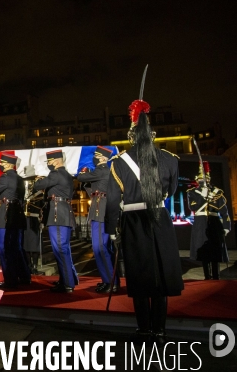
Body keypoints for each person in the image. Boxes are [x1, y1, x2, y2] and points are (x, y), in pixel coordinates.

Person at [105, 98, 184, 344]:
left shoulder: (118, 163)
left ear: (131, 136)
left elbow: (112, 201)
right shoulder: (170, 159)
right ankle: (159, 330)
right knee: (160, 274)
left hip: (133, 220)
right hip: (159, 218)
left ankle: (144, 329)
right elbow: (170, 192)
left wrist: (111, 230)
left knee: (139, 275)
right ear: (153, 134)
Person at [31, 150, 78, 293]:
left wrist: (37, 179)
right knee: (64, 249)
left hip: (58, 215)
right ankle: (68, 279)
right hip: (65, 213)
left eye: (50, 162)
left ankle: (68, 283)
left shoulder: (56, 174)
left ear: (56, 161)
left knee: (60, 248)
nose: (49, 165)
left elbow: (39, 186)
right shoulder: (67, 175)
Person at [0, 154, 31, 288]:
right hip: (18, 214)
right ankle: (24, 276)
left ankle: (10, 279)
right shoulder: (20, 179)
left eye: (3, 163)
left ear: (8, 165)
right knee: (17, 247)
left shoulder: (5, 178)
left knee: (4, 248)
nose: (1, 165)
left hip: (7, 214)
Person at [76, 146, 118, 293]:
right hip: (100, 209)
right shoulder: (103, 172)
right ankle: (109, 280)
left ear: (102, 158)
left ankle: (110, 282)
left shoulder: (101, 170)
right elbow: (91, 188)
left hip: (100, 212)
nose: (93, 158)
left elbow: (80, 177)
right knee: (104, 248)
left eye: (96, 156)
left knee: (100, 248)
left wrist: (83, 171)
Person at [187, 161, 231, 280]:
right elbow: (193, 207)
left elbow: (224, 212)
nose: (202, 181)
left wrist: (226, 227)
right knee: (204, 252)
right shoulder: (192, 193)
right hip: (200, 223)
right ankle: (207, 276)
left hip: (214, 222)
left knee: (215, 251)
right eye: (200, 179)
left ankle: (216, 276)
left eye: (205, 178)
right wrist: (204, 197)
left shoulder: (217, 193)